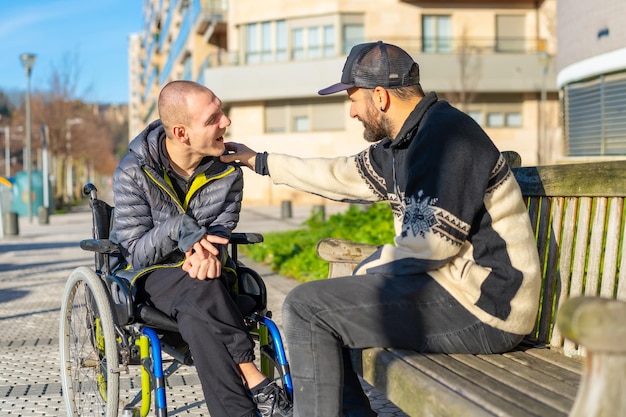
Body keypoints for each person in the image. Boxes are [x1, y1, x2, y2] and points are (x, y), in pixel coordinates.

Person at [221, 41, 542, 417]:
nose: (353, 111)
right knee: (325, 308)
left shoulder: (446, 138)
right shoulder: (404, 143)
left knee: (307, 307)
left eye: (354, 100)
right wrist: (259, 161)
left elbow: (430, 245)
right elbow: (338, 175)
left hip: (489, 306)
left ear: (380, 96)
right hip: (453, 288)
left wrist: (366, 269)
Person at [110, 80, 292, 417]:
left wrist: (208, 254)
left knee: (199, 303)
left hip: (211, 272)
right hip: (153, 275)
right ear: (181, 133)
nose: (226, 122)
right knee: (200, 288)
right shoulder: (133, 171)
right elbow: (134, 251)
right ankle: (253, 376)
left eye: (221, 112)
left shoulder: (228, 172)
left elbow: (223, 228)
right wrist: (182, 231)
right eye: (213, 119)